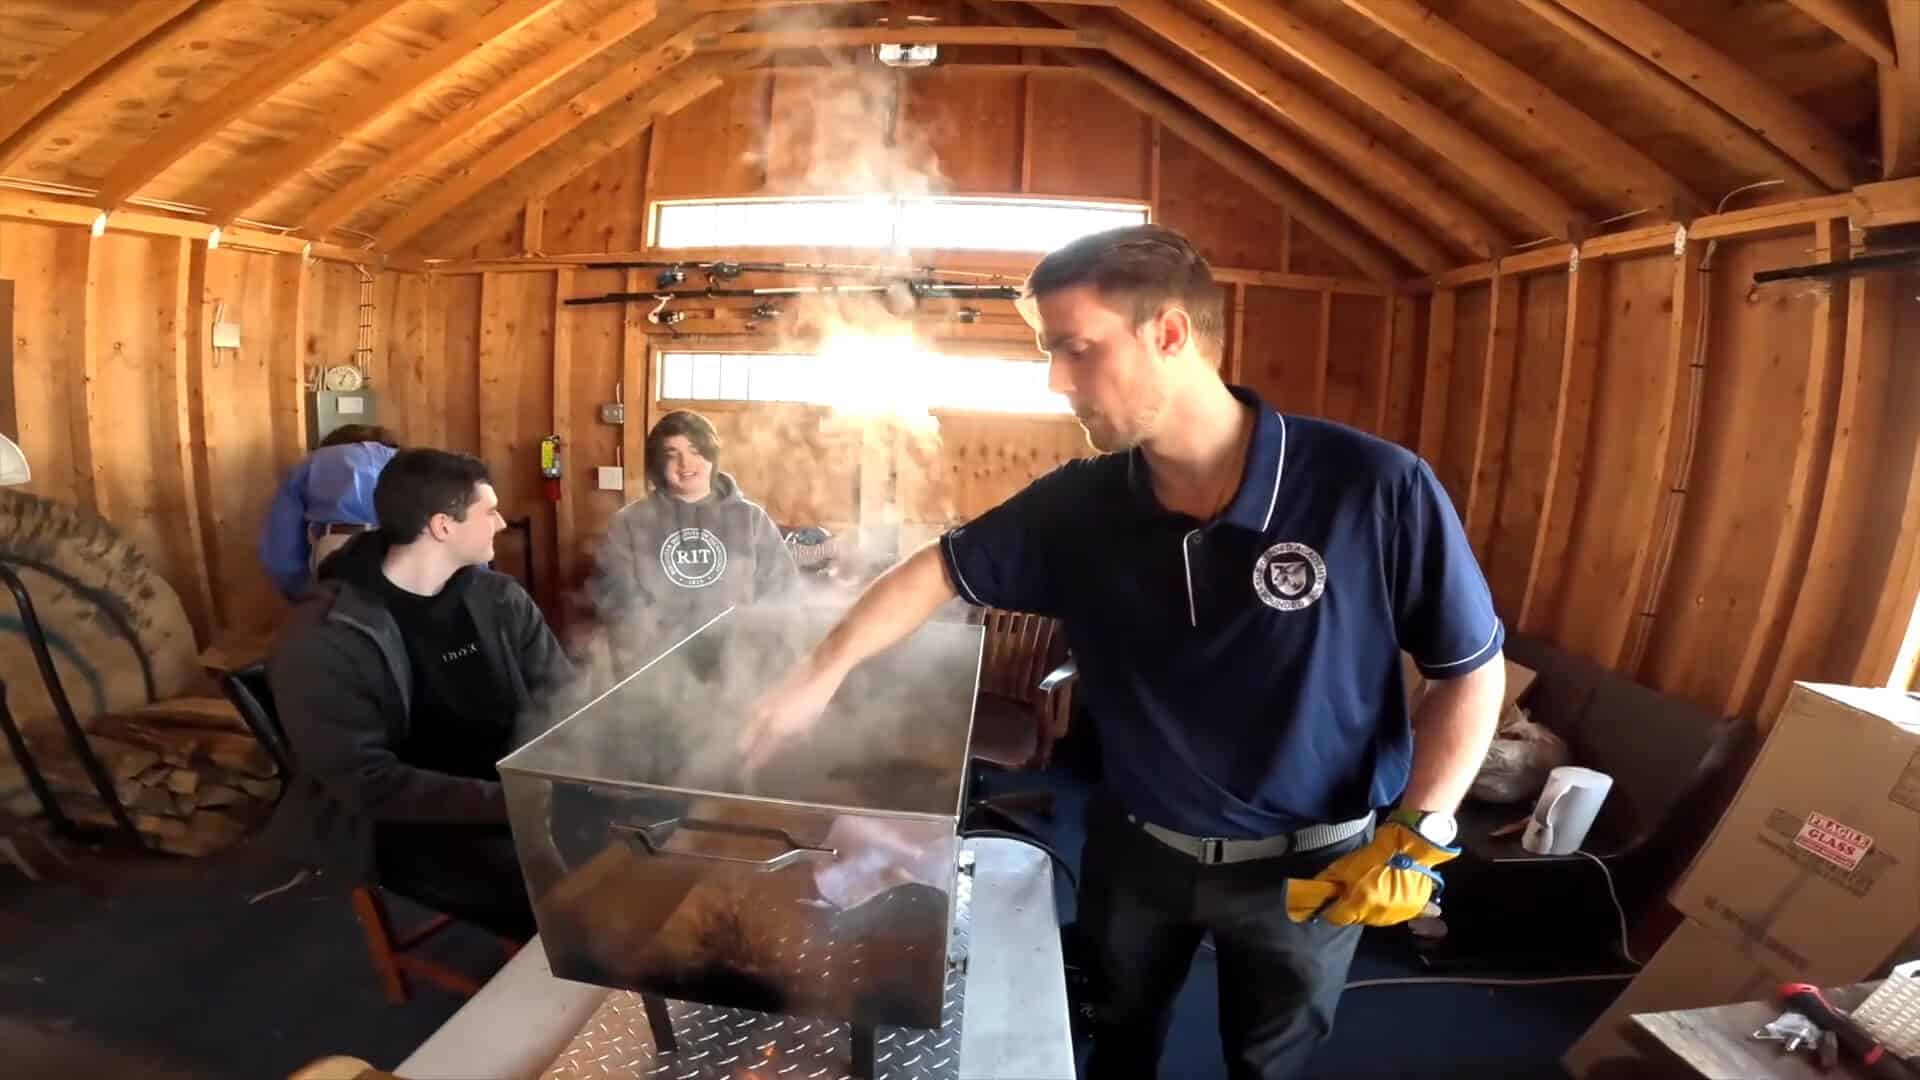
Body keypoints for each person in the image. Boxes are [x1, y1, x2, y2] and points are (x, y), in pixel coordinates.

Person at [736, 225, 1506, 1080]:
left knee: (1269, 1062)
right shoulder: (1082, 503)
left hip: (1315, 865)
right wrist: (818, 674)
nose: (1058, 381)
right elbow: (935, 573)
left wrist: (1421, 827)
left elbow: (1468, 670)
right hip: (1136, 855)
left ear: (1168, 334)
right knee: (1116, 1039)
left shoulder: (1373, 486)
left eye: (1074, 350)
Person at [265, 449, 576, 939]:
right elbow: (366, 782)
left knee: (634, 846)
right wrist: (516, 802)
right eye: (488, 510)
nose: (500, 523)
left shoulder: (499, 599)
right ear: (442, 526)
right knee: (566, 895)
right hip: (402, 823)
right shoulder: (326, 637)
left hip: (513, 787)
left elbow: (564, 697)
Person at [591, 410, 799, 668]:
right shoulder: (628, 522)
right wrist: (654, 656)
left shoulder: (751, 519)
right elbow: (617, 598)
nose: (685, 464)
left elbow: (783, 592)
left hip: (739, 666)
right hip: (658, 667)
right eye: (671, 454)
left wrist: (759, 655)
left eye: (695, 451)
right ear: (657, 463)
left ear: (711, 455)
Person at [259, 424, 401, 602]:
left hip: (333, 547)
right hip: (400, 549)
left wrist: (301, 595)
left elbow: (282, 547)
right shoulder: (405, 463)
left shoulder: (310, 465)